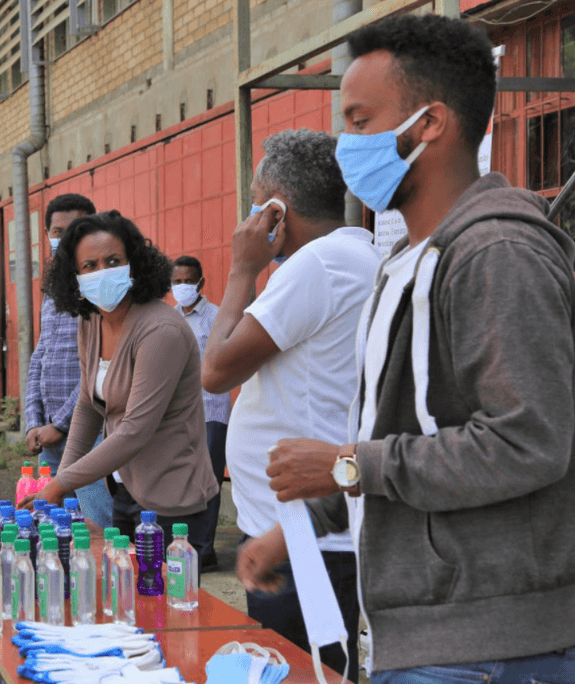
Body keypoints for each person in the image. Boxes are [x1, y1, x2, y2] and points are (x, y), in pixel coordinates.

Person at [238, 15, 575, 683]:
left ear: (429, 124)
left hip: (495, 647)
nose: (345, 144)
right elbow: (402, 435)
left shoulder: (498, 254)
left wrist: (346, 467)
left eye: (358, 119)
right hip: (438, 641)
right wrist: (308, 519)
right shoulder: (409, 262)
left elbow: (527, 443)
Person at [201, 128, 377, 680]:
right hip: (306, 521)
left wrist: (239, 269)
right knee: (316, 666)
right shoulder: (354, 254)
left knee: (299, 671)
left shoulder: (316, 265)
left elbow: (216, 368)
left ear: (276, 207)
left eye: (257, 202)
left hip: (303, 532)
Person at [23, 210, 219, 556]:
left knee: (169, 601)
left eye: (113, 261)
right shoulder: (92, 322)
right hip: (128, 489)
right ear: (75, 276)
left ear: (134, 264)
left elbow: (136, 430)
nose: (103, 272)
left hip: (174, 501)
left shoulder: (161, 331)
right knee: (125, 597)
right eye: (90, 266)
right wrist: (63, 482)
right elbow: (88, 404)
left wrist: (61, 483)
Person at [23, 193, 114, 529]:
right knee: (56, 528)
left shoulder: (101, 288)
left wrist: (59, 425)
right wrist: (34, 420)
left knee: (94, 526)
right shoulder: (51, 289)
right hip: (48, 436)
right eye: (56, 231)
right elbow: (39, 355)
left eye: (72, 230)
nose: (62, 239)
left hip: (91, 431)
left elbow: (100, 369)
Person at [171, 255, 231, 570]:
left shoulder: (217, 318)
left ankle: (204, 550)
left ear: (201, 283)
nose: (182, 287)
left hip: (211, 410)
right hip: (177, 415)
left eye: (188, 281)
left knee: (208, 482)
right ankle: (185, 545)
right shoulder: (169, 319)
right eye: (177, 281)